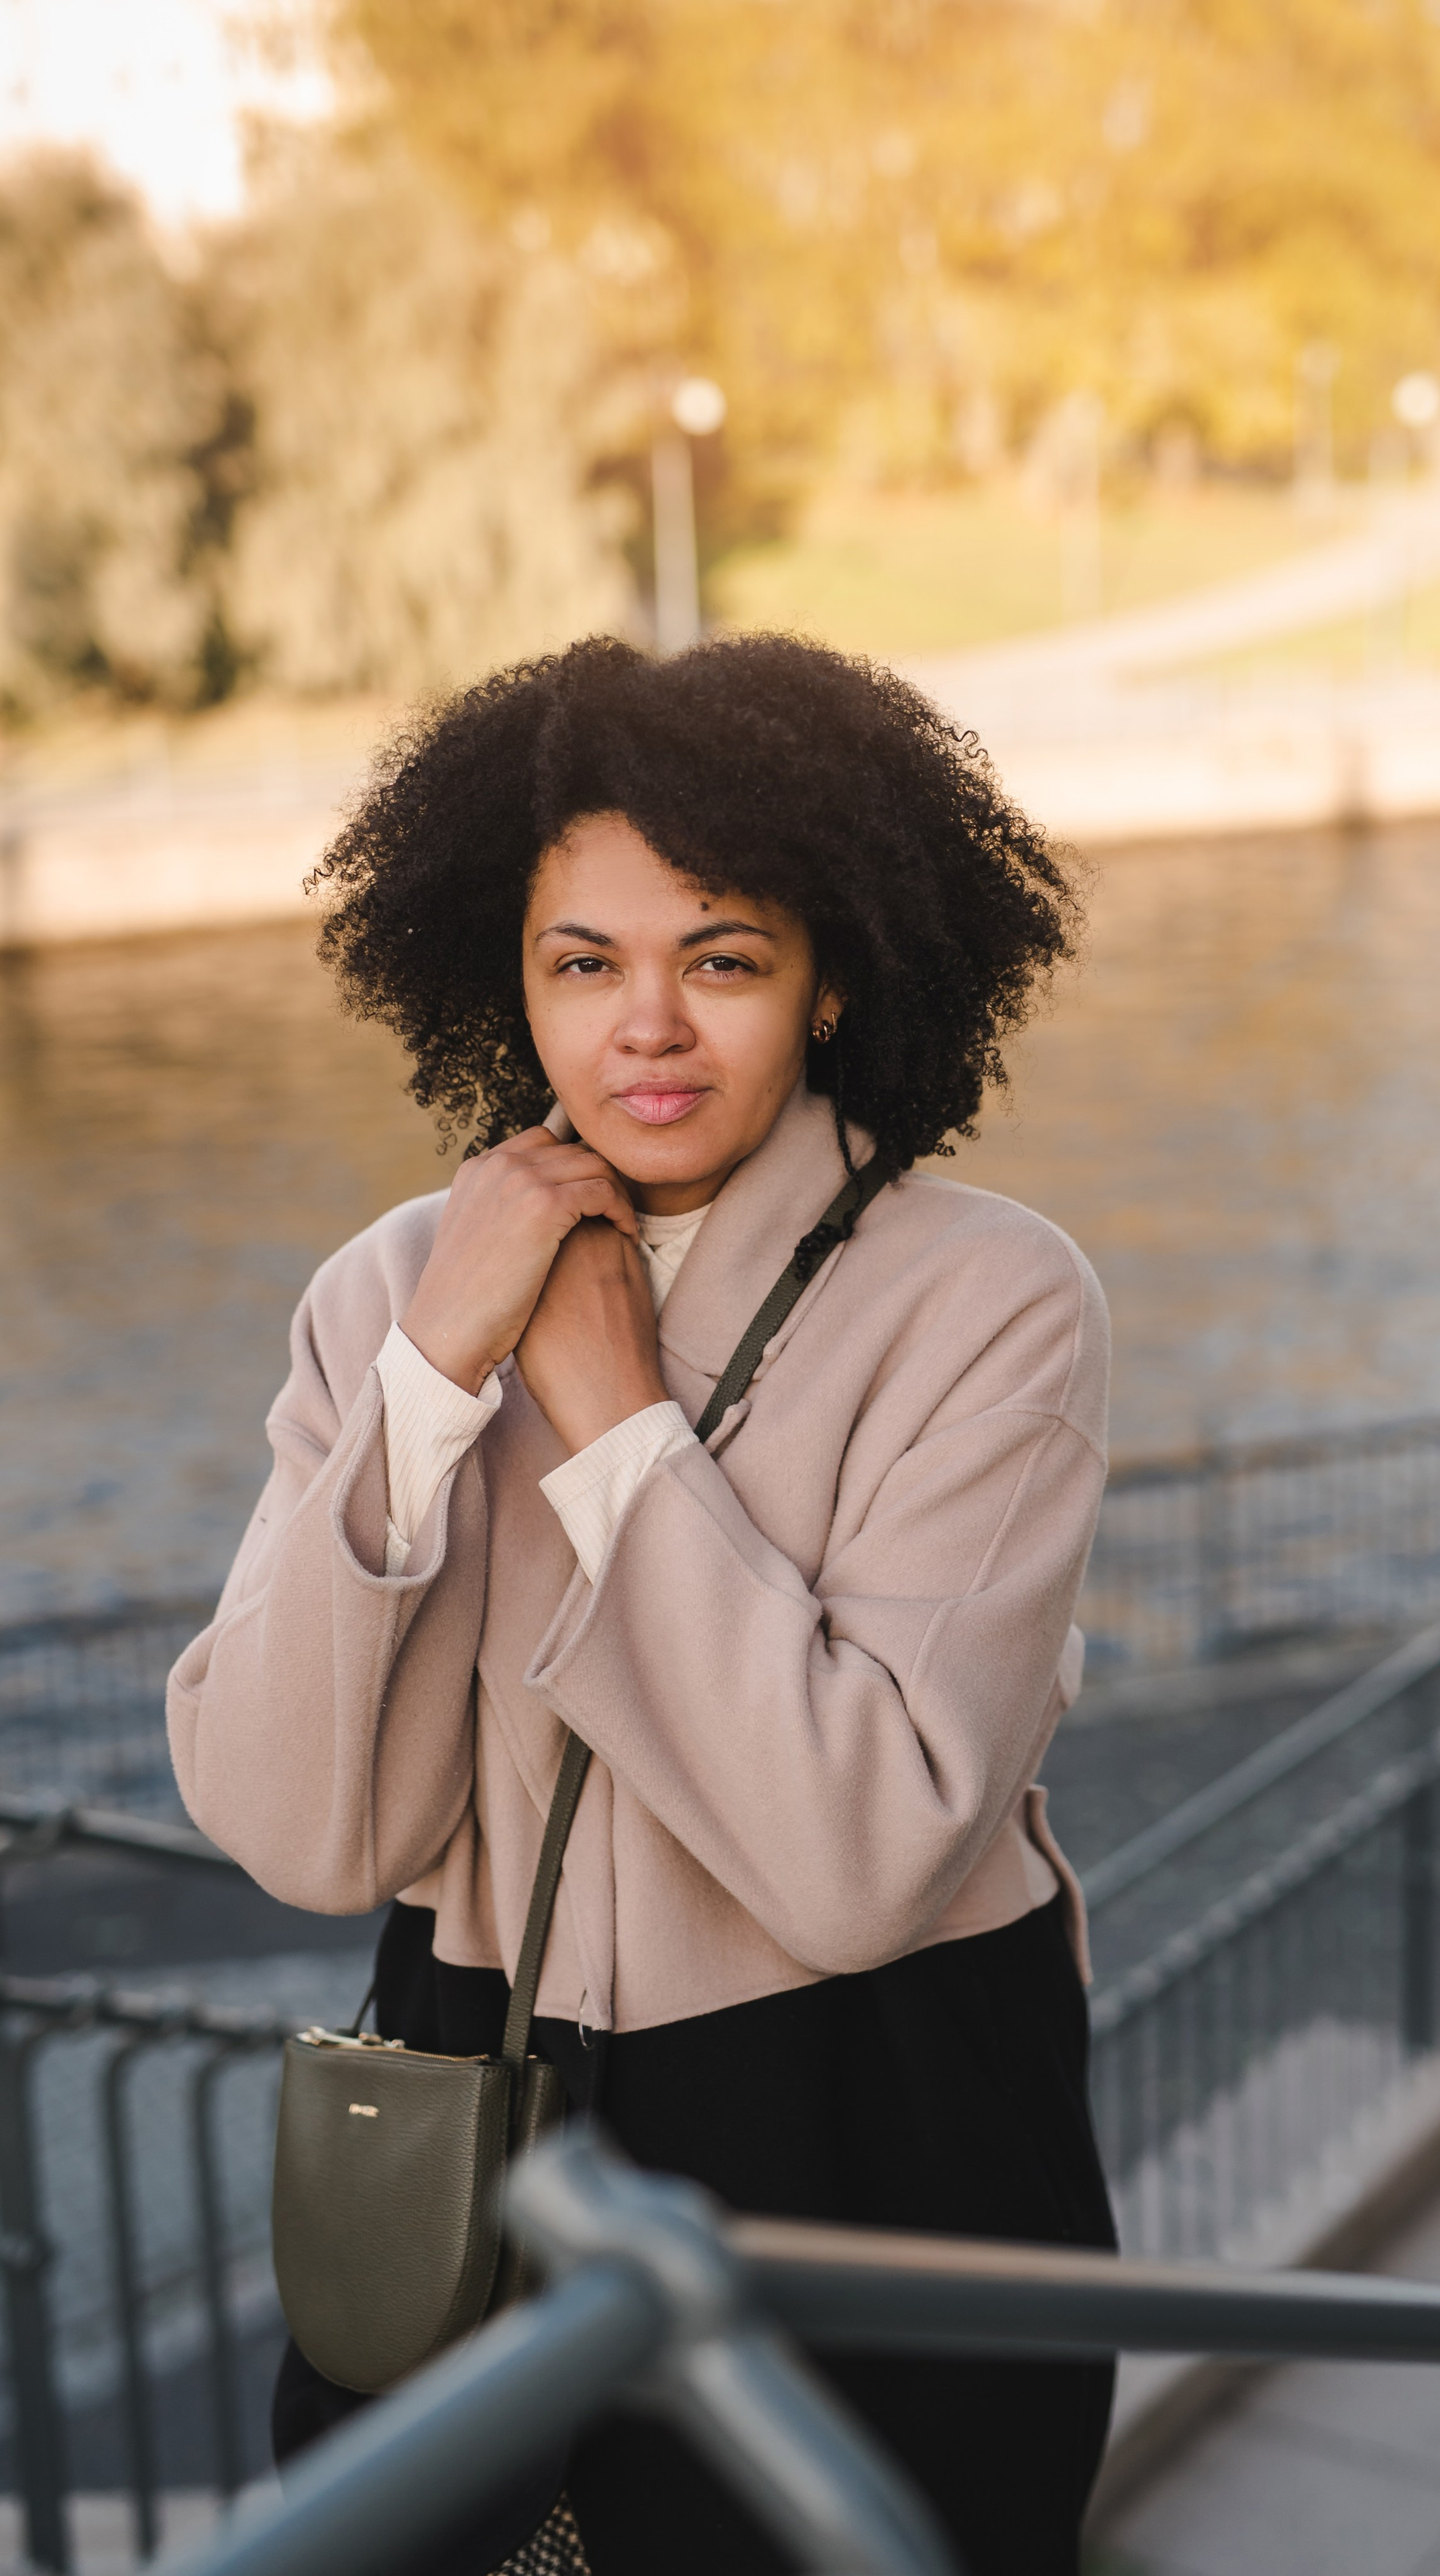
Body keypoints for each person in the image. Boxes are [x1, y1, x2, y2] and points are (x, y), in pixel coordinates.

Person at [168, 632, 1116, 2576]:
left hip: (873, 2106)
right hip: (478, 2082)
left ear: (833, 973)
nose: (649, 1031)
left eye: (725, 958)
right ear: (505, 980)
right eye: (583, 963)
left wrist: (611, 1423)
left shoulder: (989, 1302)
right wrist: (440, 1369)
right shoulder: (387, 1292)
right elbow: (293, 1829)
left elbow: (863, 1858)